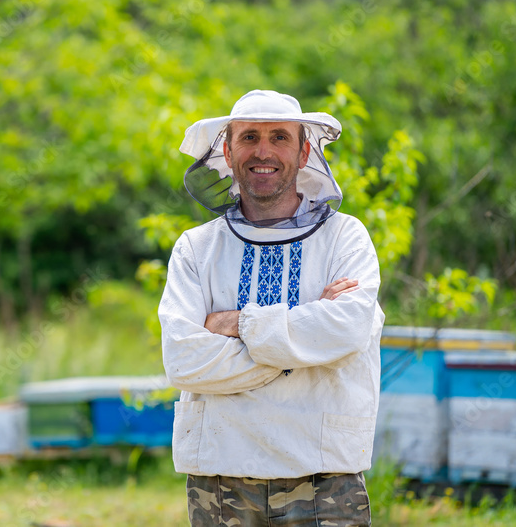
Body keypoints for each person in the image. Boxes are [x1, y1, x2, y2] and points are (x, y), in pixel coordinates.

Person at [158, 90, 383, 526]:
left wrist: (237, 323)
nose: (264, 151)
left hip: (324, 479)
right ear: (227, 149)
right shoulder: (196, 248)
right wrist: (301, 347)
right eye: (249, 137)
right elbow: (183, 360)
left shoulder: (346, 239)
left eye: (280, 137)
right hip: (221, 478)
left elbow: (348, 328)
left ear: (304, 151)